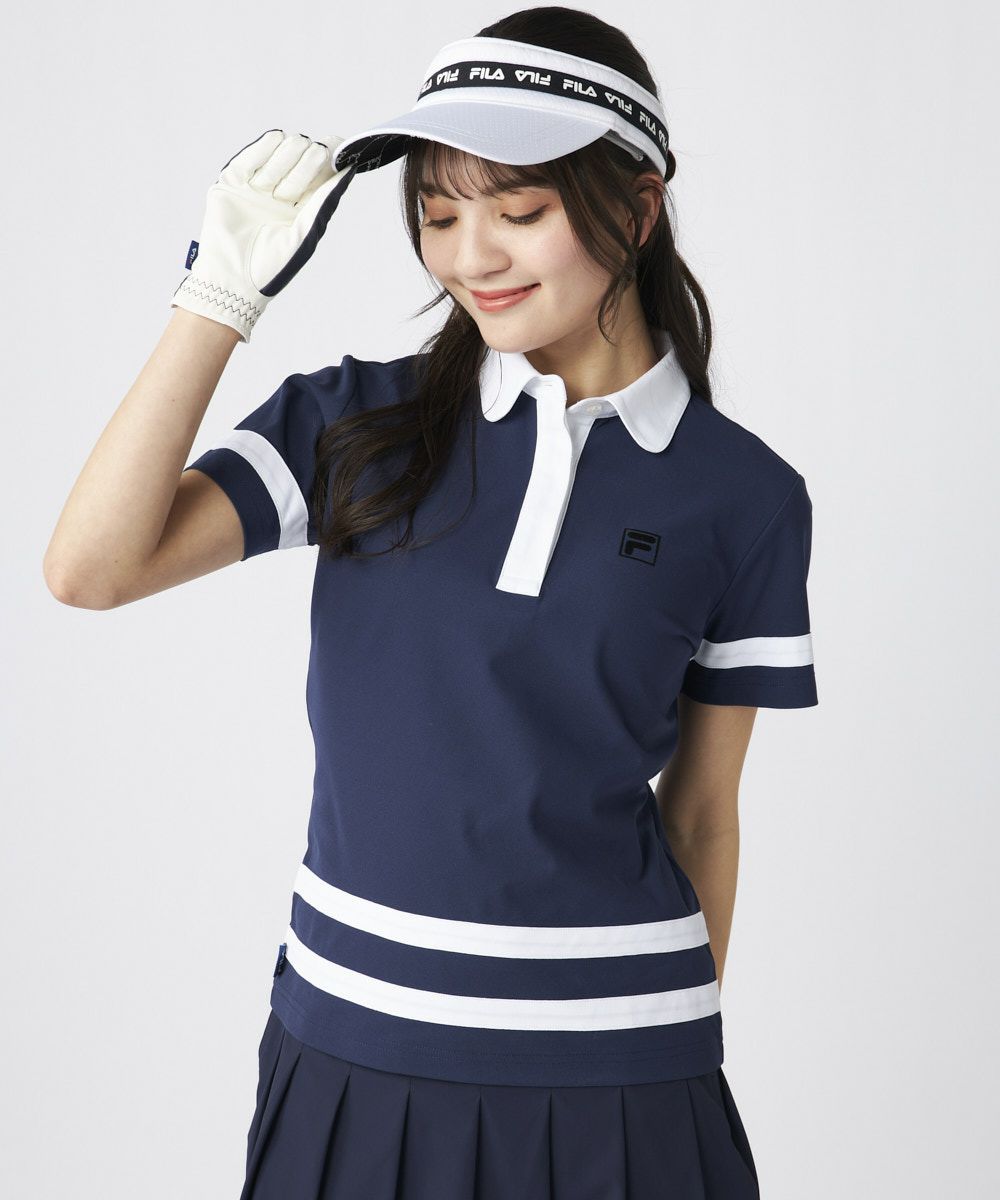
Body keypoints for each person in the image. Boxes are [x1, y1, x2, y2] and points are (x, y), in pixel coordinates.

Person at [44, 7, 818, 1198]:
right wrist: (217, 297)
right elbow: (90, 571)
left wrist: (658, 1046)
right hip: (352, 1045)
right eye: (439, 214)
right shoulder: (359, 424)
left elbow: (705, 812)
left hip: (624, 1075)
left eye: (519, 211)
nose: (471, 257)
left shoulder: (746, 496)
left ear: (637, 210)